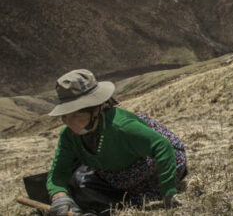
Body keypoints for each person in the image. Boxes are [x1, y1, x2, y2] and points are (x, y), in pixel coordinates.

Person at [42, 69, 187, 216]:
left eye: (76, 115)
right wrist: (59, 196)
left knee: (89, 184)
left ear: (95, 110)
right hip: (114, 171)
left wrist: (168, 192)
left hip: (151, 163)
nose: (68, 122)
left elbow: (162, 147)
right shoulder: (69, 136)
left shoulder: (121, 127)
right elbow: (59, 171)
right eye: (64, 116)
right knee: (80, 179)